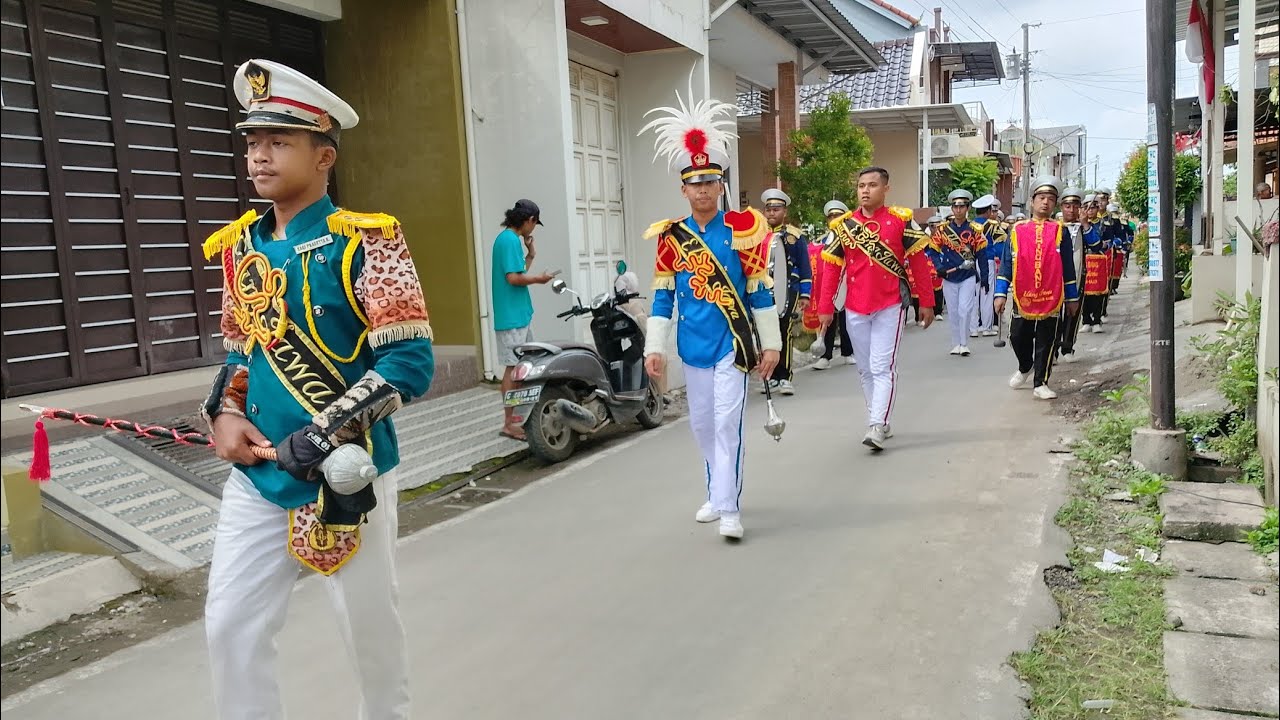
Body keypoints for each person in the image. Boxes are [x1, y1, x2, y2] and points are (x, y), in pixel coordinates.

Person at [201, 59, 434, 719]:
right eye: (251, 142)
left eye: (278, 141)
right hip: (258, 478)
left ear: (323, 154)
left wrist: (325, 433)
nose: (259, 156)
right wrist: (224, 412)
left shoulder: (371, 243)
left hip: (345, 476)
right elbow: (239, 345)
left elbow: (408, 365)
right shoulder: (238, 246)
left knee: (368, 636)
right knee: (230, 628)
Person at [639, 85, 781, 541]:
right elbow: (663, 297)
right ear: (684, 189)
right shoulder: (670, 237)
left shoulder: (744, 230)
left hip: (734, 345)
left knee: (726, 423)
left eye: (711, 181)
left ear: (721, 185)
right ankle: (715, 492)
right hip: (691, 343)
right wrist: (655, 347)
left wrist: (772, 343)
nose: (703, 189)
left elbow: (760, 291)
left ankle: (730, 507)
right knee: (701, 423)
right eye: (695, 183)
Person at [817, 167, 935, 451]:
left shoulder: (901, 221)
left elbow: (918, 263)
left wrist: (927, 302)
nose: (865, 190)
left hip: (889, 304)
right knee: (865, 369)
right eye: (861, 186)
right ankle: (878, 417)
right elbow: (831, 269)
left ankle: (877, 424)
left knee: (882, 367)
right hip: (855, 306)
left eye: (872, 185)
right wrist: (825, 307)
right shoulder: (843, 226)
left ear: (885, 189)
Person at [994, 177, 1080, 400]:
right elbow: (1006, 263)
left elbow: (1068, 267)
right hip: (1023, 295)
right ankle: (1025, 366)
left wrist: (1072, 297)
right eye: (1041, 198)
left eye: (1051, 200)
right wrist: (1000, 293)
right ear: (1031, 202)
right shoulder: (1016, 230)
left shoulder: (1060, 231)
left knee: (1046, 340)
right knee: (1017, 336)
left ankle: (1040, 382)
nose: (1046, 203)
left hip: (1051, 295)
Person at [492, 199, 555, 440]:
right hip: (512, 316)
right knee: (512, 368)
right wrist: (539, 279)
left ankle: (517, 419)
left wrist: (531, 254)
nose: (534, 229)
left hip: (518, 314)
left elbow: (518, 272)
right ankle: (509, 423)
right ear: (528, 221)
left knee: (520, 367)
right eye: (534, 224)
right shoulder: (508, 240)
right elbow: (513, 279)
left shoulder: (509, 240)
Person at [925, 189, 989, 357]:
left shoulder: (975, 230)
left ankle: (964, 343)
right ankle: (955, 343)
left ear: (967, 208)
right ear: (952, 209)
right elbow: (933, 250)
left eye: (962, 206)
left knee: (965, 309)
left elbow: (982, 255)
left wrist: (985, 278)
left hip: (967, 275)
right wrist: (939, 267)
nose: (958, 210)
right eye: (955, 206)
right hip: (949, 276)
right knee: (953, 311)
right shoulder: (943, 230)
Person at [761, 189, 812, 396]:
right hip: (763, 291)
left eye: (776, 209)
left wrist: (805, 294)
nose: (772, 213)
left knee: (784, 330)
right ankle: (770, 376)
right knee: (766, 333)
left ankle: (784, 376)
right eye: (769, 209)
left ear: (784, 211)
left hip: (788, 290)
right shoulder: (758, 234)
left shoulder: (794, 236)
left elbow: (804, 266)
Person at [811, 200, 855, 369]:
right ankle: (825, 356)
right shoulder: (821, 241)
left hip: (847, 283)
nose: (834, 219)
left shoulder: (851, 237)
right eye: (831, 217)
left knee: (847, 320)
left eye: (837, 216)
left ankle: (847, 352)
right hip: (827, 285)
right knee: (827, 319)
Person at [1056, 188, 1092, 362]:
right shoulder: (1054, 225)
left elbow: (1098, 245)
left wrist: (1085, 225)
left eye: (1074, 206)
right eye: (1067, 206)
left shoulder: (1085, 227)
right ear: (1061, 207)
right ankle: (1052, 349)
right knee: (1053, 314)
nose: (1071, 210)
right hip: (1054, 276)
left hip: (1077, 275)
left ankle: (1067, 347)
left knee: (1072, 311)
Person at [970, 194, 1007, 337]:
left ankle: (973, 328)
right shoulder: (992, 225)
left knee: (973, 294)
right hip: (988, 260)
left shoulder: (970, 226)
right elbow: (1001, 245)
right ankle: (986, 327)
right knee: (987, 292)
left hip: (972, 262)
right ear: (987, 211)